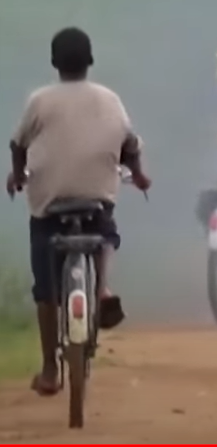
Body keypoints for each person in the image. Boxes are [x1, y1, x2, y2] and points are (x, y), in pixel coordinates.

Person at [7, 27, 151, 397]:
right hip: (95, 199)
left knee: (45, 288)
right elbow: (130, 145)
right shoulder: (109, 98)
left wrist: (16, 174)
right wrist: (138, 174)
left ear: (54, 63)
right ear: (90, 61)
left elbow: (18, 143)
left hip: (50, 203)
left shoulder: (40, 100)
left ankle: (50, 369)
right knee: (105, 233)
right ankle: (102, 290)